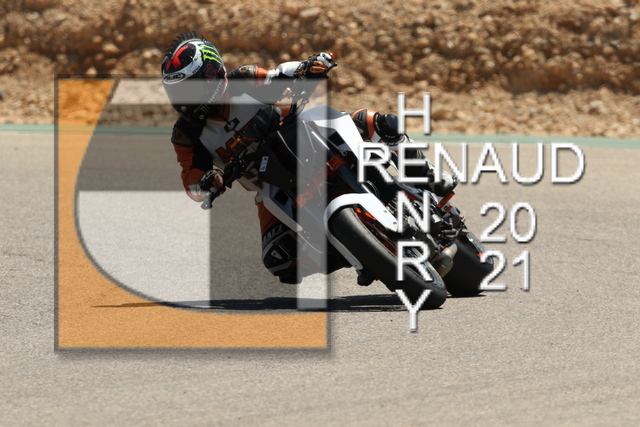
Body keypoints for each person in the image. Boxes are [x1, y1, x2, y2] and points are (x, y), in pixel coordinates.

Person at [161, 31, 456, 283]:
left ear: (212, 74)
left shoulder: (243, 80)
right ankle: (362, 252)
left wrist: (308, 68)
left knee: (377, 123)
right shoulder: (186, 135)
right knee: (279, 259)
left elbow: (279, 77)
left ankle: (427, 175)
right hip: (270, 184)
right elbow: (191, 178)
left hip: (303, 138)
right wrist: (207, 181)